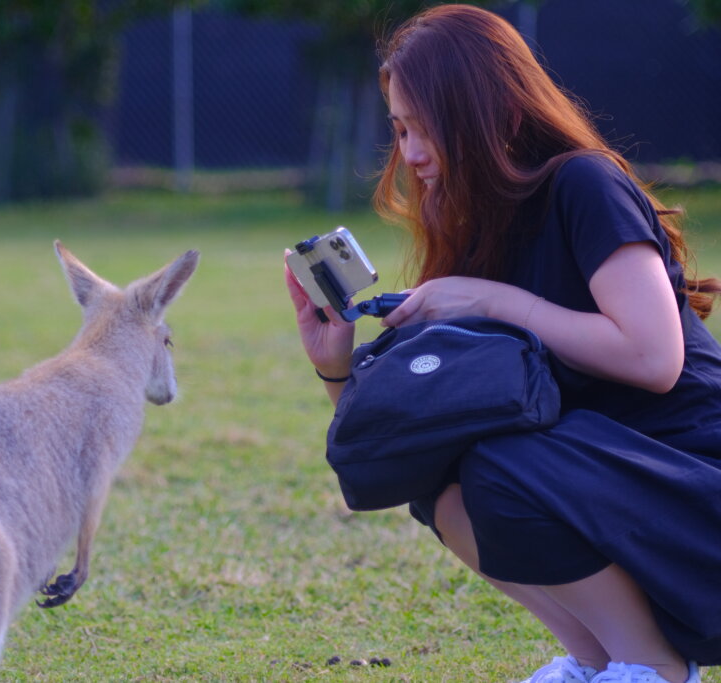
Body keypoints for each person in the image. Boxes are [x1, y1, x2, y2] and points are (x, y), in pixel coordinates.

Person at [284, 5, 721, 683]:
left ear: (499, 116)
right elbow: (394, 444)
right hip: (613, 486)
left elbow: (655, 358)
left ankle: (654, 668)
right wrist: (335, 368)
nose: (413, 153)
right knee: (437, 471)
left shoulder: (584, 182)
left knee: (501, 464)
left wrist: (492, 300)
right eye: (401, 129)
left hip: (691, 487)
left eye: (429, 127)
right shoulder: (480, 227)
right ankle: (596, 661)